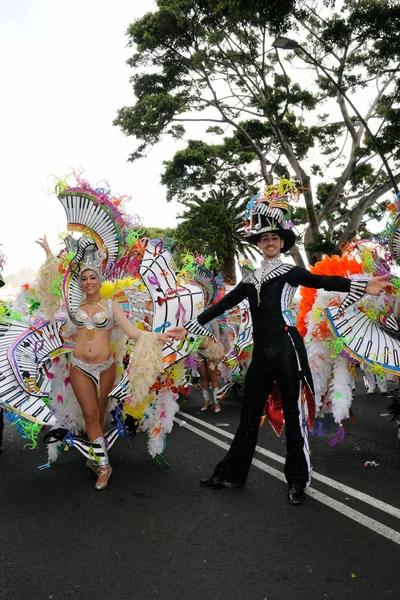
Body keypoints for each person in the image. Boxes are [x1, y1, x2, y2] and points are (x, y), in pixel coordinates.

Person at [169, 188, 392, 505]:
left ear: (282, 242)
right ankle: (233, 473)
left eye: (274, 237)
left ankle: (297, 482)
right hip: (262, 352)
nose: (269, 242)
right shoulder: (251, 278)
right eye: (264, 239)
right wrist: (190, 326)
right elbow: (222, 305)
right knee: (248, 415)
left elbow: (323, 282)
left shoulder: (289, 271)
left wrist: (363, 285)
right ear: (258, 244)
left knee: (294, 415)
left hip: (288, 348)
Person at [36, 236, 173, 490]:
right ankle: (105, 466)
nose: (88, 282)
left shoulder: (111, 306)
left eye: (93, 277)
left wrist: (158, 336)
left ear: (100, 279)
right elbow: (54, 287)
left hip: (106, 367)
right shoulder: (72, 306)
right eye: (84, 278)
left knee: (98, 414)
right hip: (79, 366)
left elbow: (133, 332)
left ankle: (94, 458)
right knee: (89, 413)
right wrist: (48, 253)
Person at [198, 320, 223, 413]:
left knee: (213, 377)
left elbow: (218, 338)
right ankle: (207, 402)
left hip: (210, 350)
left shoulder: (213, 320)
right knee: (203, 376)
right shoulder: (194, 318)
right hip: (198, 351)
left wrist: (216, 351)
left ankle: (217, 403)